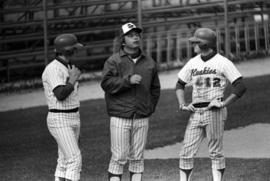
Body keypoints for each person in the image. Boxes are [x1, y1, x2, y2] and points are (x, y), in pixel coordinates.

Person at [175, 28, 246, 181]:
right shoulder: (192, 62)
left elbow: (240, 86)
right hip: (195, 113)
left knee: (215, 152)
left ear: (205, 44)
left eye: (196, 42)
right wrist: (182, 104)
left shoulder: (222, 62)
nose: (193, 45)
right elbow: (179, 84)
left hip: (214, 111)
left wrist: (223, 103)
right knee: (186, 152)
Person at [101, 22, 161, 181]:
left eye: (137, 34)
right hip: (120, 115)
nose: (135, 37)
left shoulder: (149, 62)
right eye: (130, 35)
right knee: (119, 157)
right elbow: (106, 84)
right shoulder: (113, 61)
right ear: (122, 40)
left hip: (142, 116)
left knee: (137, 158)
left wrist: (149, 108)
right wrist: (127, 80)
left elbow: (155, 89)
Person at [42, 33, 83, 181]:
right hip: (60, 117)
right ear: (67, 50)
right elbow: (60, 94)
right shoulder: (53, 69)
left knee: (65, 161)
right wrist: (72, 80)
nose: (76, 51)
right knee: (74, 159)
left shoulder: (67, 66)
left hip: (72, 116)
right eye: (74, 48)